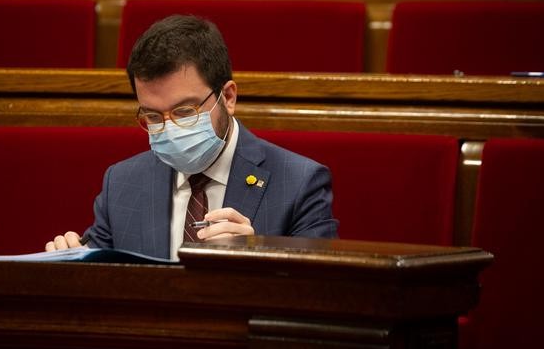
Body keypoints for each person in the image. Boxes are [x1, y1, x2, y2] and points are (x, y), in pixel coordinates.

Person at [45, 14, 338, 260]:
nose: (169, 128)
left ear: (228, 97)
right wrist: (70, 262)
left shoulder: (299, 184)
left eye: (185, 112)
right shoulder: (122, 183)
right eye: (153, 116)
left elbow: (322, 296)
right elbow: (102, 276)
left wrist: (256, 262)